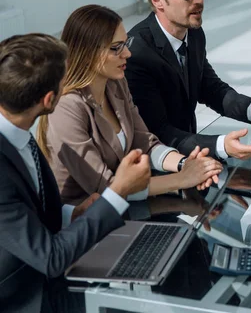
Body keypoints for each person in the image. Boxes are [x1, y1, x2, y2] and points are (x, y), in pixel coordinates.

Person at [0, 33, 152, 312]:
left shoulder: (15, 125)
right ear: (49, 100)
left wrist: (72, 214)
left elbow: (26, 213)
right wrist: (118, 191)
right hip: (25, 297)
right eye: (64, 80)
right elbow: (51, 258)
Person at [37, 5, 223, 206]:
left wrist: (183, 163)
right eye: (116, 47)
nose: (127, 53)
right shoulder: (66, 108)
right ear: (87, 52)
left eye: (125, 44)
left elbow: (144, 141)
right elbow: (107, 188)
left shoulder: (116, 83)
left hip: (126, 206)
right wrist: (181, 179)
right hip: (85, 220)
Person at [125, 0, 251, 160]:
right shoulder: (137, 55)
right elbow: (157, 132)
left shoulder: (193, 32)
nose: (198, 0)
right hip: (157, 164)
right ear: (158, 0)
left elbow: (209, 86)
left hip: (189, 153)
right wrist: (222, 145)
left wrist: (250, 109)